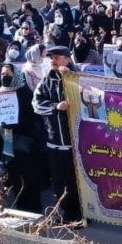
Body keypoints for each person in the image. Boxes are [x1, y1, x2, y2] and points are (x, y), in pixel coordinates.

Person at [32, 45, 82, 224]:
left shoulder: (78, 78)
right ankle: (66, 212)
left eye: (57, 57)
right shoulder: (47, 80)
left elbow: (90, 99)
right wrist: (55, 107)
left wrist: (70, 79)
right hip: (54, 141)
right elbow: (36, 104)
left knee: (76, 180)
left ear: (67, 59)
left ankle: (80, 214)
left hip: (75, 142)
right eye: (51, 57)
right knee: (60, 181)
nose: (53, 61)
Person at [0, 62, 44, 213]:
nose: (5, 77)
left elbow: (33, 118)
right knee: (14, 174)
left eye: (8, 74)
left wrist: (15, 123)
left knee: (29, 175)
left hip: (25, 142)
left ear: (16, 75)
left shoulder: (24, 93)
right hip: (7, 142)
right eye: (3, 74)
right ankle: (21, 206)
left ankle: (34, 207)